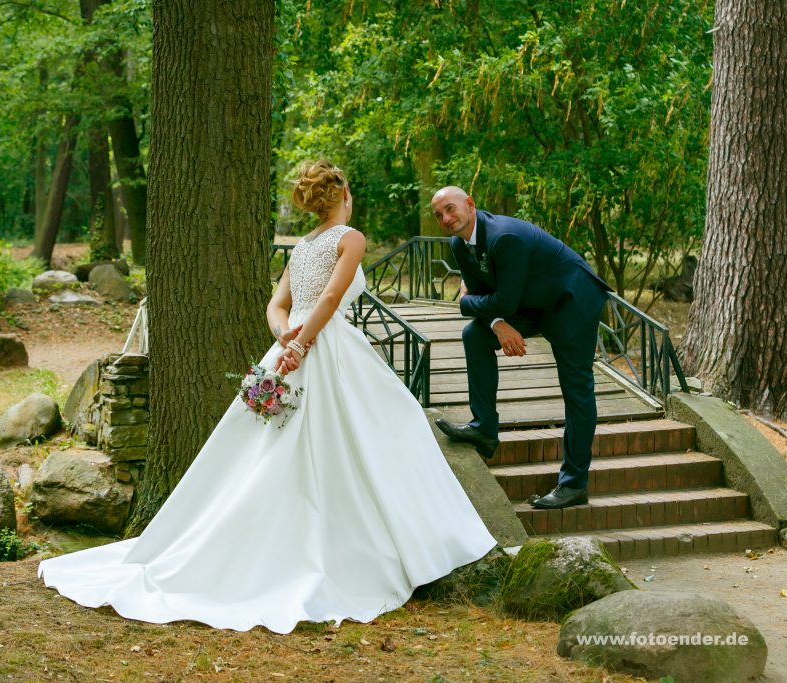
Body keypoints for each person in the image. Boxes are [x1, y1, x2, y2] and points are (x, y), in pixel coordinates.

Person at [38, 161, 496, 634]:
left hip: (290, 351)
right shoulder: (350, 237)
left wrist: (285, 337)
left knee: (312, 440)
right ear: (343, 196)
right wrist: (297, 343)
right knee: (360, 433)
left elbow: (277, 307)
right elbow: (331, 300)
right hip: (321, 347)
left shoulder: (303, 246)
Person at [430, 186, 610, 510]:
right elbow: (487, 296)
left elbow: (492, 299)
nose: (445, 218)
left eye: (450, 208)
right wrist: (496, 322)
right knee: (476, 335)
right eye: (438, 214)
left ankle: (574, 485)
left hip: (572, 301)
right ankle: (483, 429)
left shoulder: (504, 237)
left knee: (577, 392)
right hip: (534, 303)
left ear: (470, 204)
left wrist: (469, 303)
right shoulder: (459, 243)